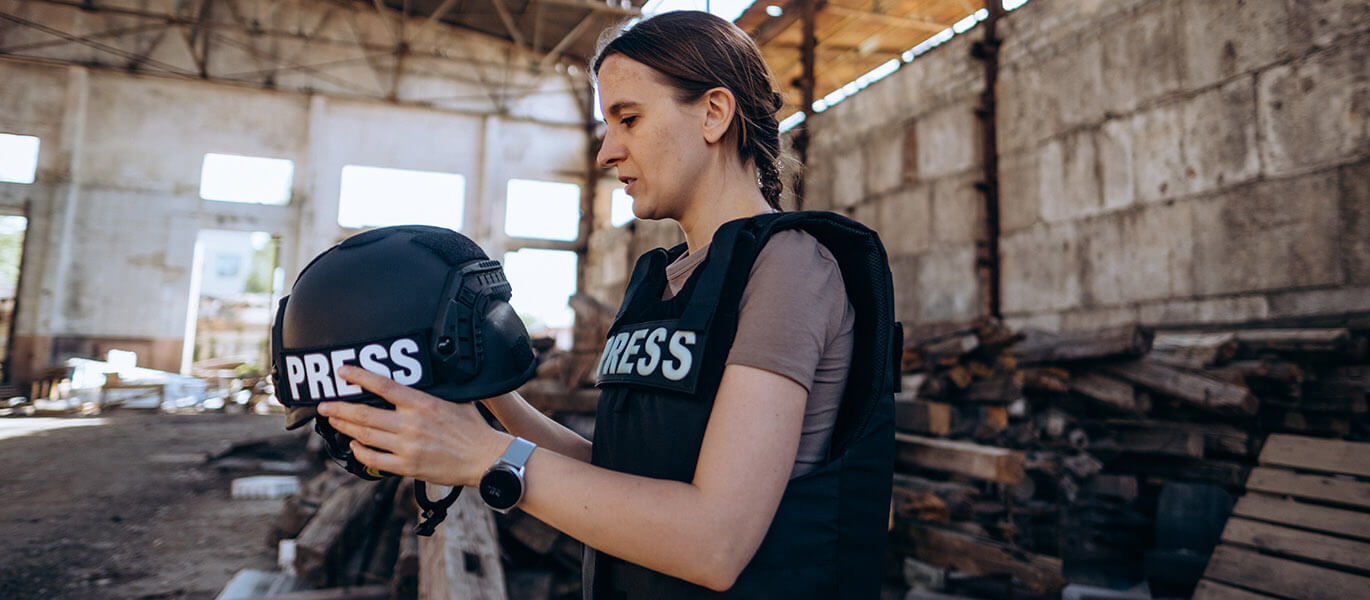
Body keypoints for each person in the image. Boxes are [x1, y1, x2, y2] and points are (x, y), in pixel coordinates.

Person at [316, 10, 897, 598]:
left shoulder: (790, 265)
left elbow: (714, 540)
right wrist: (488, 391)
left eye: (629, 118)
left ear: (714, 114)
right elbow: (619, 477)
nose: (606, 152)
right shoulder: (661, 279)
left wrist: (485, 457)